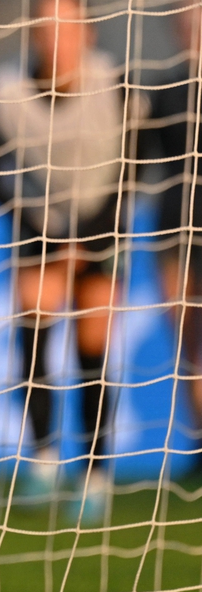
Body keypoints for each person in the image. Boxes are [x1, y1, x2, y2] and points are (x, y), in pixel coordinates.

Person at [0, 0, 144, 522]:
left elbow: (135, 169)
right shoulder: (4, 92)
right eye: (45, 26)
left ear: (85, 33)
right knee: (34, 315)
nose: (56, 38)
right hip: (39, 227)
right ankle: (44, 455)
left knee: (93, 342)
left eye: (65, 26)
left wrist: (87, 239)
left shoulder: (117, 86)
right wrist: (40, 228)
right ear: (33, 34)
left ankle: (95, 472)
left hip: (102, 223)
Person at [149, 1, 202, 464]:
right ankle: (198, 442)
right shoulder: (166, 91)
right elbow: (139, 159)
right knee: (189, 345)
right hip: (175, 229)